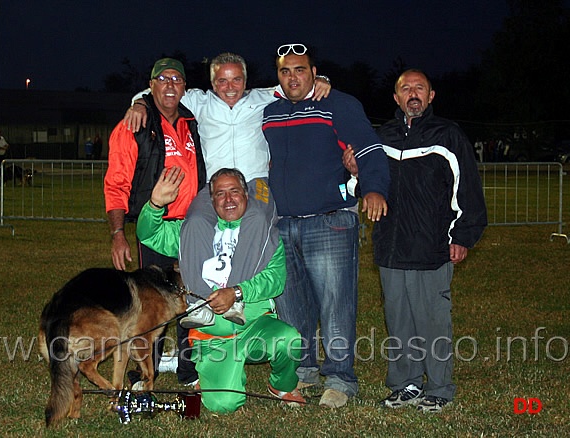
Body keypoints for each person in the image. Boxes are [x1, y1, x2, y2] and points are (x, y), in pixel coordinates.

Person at [124, 53, 331, 303]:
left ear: (246, 81)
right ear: (212, 83)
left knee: (256, 218)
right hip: (215, 186)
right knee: (195, 222)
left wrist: (322, 78)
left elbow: (297, 84)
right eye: (222, 81)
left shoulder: (263, 97)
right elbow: (155, 94)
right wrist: (139, 104)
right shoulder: (199, 101)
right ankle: (199, 301)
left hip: (255, 183)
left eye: (236, 80)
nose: (229, 87)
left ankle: (234, 295)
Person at [349, 69, 487, 413]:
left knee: (433, 321)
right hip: (391, 248)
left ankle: (439, 387)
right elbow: (365, 190)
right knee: (399, 321)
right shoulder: (381, 138)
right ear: (396, 98)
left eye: (419, 88)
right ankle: (405, 384)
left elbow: (466, 190)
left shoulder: (448, 136)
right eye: (405, 88)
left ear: (431, 95)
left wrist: (462, 236)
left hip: (431, 247)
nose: (412, 93)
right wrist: (354, 172)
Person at [262, 43, 391, 409]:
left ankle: (340, 378)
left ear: (314, 72)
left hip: (330, 221)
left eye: (300, 70)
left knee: (336, 303)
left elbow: (367, 147)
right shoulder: (270, 112)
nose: (293, 78)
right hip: (283, 224)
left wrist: (374, 188)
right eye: (285, 71)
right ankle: (302, 371)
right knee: (290, 305)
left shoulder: (338, 104)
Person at [137, 166, 304, 413]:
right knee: (224, 405)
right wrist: (154, 205)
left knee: (289, 340)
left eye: (234, 192)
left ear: (247, 195)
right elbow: (148, 234)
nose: (228, 199)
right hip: (212, 337)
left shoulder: (265, 233)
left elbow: (275, 280)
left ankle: (281, 385)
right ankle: (216, 375)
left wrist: (237, 292)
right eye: (220, 194)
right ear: (211, 199)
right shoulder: (192, 231)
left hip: (254, 326)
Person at [103, 57, 206, 386]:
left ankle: (188, 370)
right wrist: (118, 234)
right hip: (156, 225)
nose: (171, 85)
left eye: (177, 79)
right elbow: (116, 183)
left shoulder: (192, 122)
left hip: (192, 226)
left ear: (185, 88)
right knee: (153, 303)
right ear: (151, 86)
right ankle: (144, 370)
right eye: (163, 79)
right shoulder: (134, 125)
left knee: (191, 298)